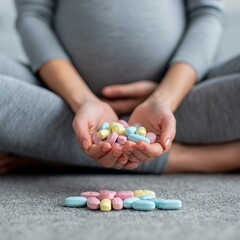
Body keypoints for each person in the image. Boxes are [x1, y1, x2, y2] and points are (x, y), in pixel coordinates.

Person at [0, 0, 239, 174]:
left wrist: (163, 97)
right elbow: (33, 15)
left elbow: (206, 13)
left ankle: (50, 152)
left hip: (181, 97)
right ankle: (204, 156)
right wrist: (84, 100)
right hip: (59, 96)